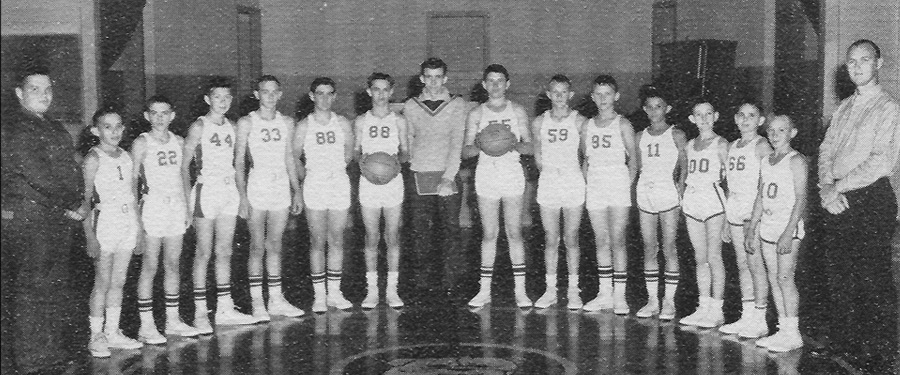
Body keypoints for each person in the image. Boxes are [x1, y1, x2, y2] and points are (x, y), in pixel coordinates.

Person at [816, 39, 900, 372]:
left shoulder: (888, 107)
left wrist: (838, 186)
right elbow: (825, 150)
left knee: (871, 278)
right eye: (851, 61)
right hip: (836, 197)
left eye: (864, 60)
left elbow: (881, 162)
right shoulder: (844, 107)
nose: (857, 66)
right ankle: (845, 344)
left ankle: (880, 352)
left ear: (878, 64)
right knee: (839, 277)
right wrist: (826, 188)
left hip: (870, 198)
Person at [1, 66, 87, 373]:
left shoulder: (52, 126)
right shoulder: (17, 126)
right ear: (19, 94)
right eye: (35, 89)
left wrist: (78, 200)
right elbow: (37, 175)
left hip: (54, 216)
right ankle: (30, 358)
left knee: (52, 286)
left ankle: (48, 352)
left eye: (48, 89)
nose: (43, 95)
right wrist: (72, 202)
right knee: (32, 287)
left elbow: (71, 169)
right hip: (29, 216)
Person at [183, 78, 257, 331]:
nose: (223, 102)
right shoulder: (198, 126)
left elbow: (238, 164)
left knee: (225, 251)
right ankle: (200, 312)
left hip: (228, 191)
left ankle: (225, 308)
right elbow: (184, 167)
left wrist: (242, 195)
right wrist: (186, 203)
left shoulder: (234, 127)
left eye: (227, 97)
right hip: (206, 190)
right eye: (217, 97)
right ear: (207, 100)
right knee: (203, 252)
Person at [235, 75, 305, 320]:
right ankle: (257, 302)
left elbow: (289, 158)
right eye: (265, 91)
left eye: (274, 92)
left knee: (275, 245)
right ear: (257, 94)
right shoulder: (246, 122)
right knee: (257, 246)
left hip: (280, 187)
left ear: (280, 94)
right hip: (257, 185)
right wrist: (242, 196)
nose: (270, 96)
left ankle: (275, 299)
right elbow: (239, 162)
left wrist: (297, 190)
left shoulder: (287, 122)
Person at [463, 64, 533, 308]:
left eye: (500, 81)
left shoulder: (518, 111)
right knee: (489, 234)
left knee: (514, 233)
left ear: (508, 84)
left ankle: (521, 291)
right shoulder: (476, 114)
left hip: (511, 174)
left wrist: (510, 143)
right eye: (490, 81)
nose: (495, 85)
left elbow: (530, 146)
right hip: (486, 176)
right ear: (484, 85)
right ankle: (484, 291)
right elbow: (466, 150)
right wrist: (485, 144)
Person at [133, 95, 200, 343]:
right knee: (150, 265)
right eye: (154, 113)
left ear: (172, 115)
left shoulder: (179, 141)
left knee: (173, 264)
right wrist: (136, 219)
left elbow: (184, 176)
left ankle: (173, 320)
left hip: (175, 206)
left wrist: (187, 207)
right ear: (147, 116)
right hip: (152, 207)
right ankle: (146, 325)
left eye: (164, 113)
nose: (160, 118)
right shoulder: (141, 142)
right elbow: (132, 182)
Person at [402, 57, 469, 303]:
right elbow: (408, 140)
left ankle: (452, 282)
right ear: (421, 79)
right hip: (419, 174)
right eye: (428, 77)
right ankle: (422, 284)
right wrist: (410, 167)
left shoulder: (456, 104)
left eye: (438, 77)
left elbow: (457, 142)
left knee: (451, 229)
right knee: (420, 232)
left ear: (445, 79)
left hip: (446, 174)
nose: (433, 82)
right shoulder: (411, 105)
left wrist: (449, 177)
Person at [81, 107, 144, 357]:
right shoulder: (93, 158)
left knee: (119, 281)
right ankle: (96, 335)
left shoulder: (127, 156)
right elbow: (85, 200)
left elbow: (132, 194)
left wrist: (138, 229)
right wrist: (89, 236)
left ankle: (112, 331)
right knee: (103, 282)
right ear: (96, 131)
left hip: (126, 220)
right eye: (108, 126)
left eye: (118, 126)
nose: (114, 131)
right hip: (104, 221)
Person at [293, 77, 355, 313]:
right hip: (315, 184)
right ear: (312, 96)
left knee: (337, 239)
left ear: (335, 96)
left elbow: (349, 153)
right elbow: (295, 155)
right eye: (320, 93)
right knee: (317, 241)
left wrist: (334, 169)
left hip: (338, 182)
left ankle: (335, 293)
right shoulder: (304, 125)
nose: (325, 98)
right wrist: (307, 176)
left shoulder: (343, 123)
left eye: (329, 94)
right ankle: (320, 295)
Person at [746, 115, 807, 353]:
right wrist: (752, 227)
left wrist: (788, 232)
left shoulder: (796, 160)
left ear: (792, 133)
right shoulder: (767, 160)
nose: (774, 134)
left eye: (781, 130)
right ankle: (783, 329)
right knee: (773, 277)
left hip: (787, 227)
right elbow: (761, 196)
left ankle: (794, 332)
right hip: (768, 225)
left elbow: (801, 199)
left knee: (784, 278)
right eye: (771, 130)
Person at [579, 75, 638, 314]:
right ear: (592, 97)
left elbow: (634, 159)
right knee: (601, 241)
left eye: (607, 94)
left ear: (616, 96)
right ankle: (604, 294)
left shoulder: (623, 124)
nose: (603, 99)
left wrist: (627, 184)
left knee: (618, 240)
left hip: (618, 186)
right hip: (596, 186)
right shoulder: (587, 125)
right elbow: (584, 158)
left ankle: (620, 296)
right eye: (598, 94)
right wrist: (588, 184)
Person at [531, 74, 587, 310]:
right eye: (555, 92)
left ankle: (574, 290)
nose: (560, 97)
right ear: (548, 94)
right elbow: (538, 157)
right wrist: (551, 174)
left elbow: (587, 155)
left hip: (573, 181)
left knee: (571, 238)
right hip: (549, 183)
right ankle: (551, 289)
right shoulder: (538, 123)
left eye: (564, 92)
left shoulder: (580, 121)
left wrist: (577, 176)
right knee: (551, 238)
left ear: (571, 94)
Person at [718, 101, 773, 338]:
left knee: (755, 264)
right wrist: (725, 218)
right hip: (735, 209)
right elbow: (729, 184)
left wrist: (757, 216)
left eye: (751, 115)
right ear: (735, 118)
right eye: (741, 114)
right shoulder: (732, 146)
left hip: (754, 211)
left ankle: (760, 319)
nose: (745, 119)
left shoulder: (762, 145)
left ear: (760, 121)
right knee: (742, 264)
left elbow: (769, 181)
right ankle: (747, 315)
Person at [632, 86, 687, 320]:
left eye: (659, 107)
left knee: (669, 246)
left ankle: (669, 302)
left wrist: (681, 187)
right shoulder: (639, 136)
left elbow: (684, 164)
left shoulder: (676, 134)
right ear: (645, 109)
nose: (654, 111)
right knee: (649, 247)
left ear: (667, 109)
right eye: (650, 107)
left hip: (667, 193)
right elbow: (637, 166)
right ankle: (653, 300)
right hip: (645, 191)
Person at [354, 72, 409, 308]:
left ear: (391, 92)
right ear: (369, 92)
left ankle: (392, 290)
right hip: (368, 183)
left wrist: (396, 163)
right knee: (371, 237)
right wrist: (362, 162)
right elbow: (355, 152)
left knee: (393, 236)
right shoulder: (360, 121)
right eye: (376, 89)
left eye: (385, 89)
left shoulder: (399, 120)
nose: (380, 94)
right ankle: (372, 290)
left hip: (393, 182)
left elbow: (407, 152)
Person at [678, 100, 729, 328]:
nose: (704, 118)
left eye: (708, 113)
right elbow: (686, 174)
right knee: (700, 258)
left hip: (714, 202)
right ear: (692, 119)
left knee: (714, 256)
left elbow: (730, 181)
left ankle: (717, 309)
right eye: (699, 115)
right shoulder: (689, 145)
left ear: (715, 116)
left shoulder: (721, 144)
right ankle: (703, 306)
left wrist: (729, 216)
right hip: (693, 201)